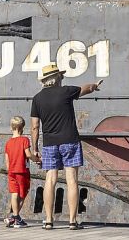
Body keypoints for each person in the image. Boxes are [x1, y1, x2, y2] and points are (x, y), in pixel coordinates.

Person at [30, 63, 101, 230]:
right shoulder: (66, 91)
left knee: (50, 179)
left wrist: (35, 149)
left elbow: (34, 126)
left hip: (49, 144)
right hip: (70, 141)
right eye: (61, 76)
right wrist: (94, 86)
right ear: (57, 78)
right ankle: (72, 221)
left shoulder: (37, 99)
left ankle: (48, 220)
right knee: (72, 180)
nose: (62, 78)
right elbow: (87, 88)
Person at [3, 115, 39, 228]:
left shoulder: (8, 143)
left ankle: (14, 217)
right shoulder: (24, 140)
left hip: (11, 172)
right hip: (22, 172)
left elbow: (7, 160)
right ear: (22, 127)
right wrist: (37, 159)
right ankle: (16, 218)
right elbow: (28, 154)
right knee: (22, 194)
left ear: (11, 127)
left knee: (14, 194)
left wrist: (9, 171)